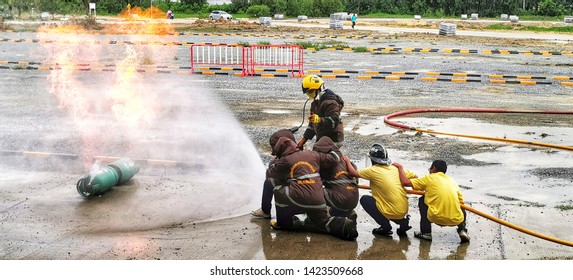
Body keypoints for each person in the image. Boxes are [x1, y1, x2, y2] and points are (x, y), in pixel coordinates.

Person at [266, 136, 358, 241]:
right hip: (347, 198)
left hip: (323, 197)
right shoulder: (317, 156)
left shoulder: (286, 160)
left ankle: (283, 224)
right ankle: (343, 223)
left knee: (278, 191)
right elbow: (336, 158)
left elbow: (270, 174)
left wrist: (276, 163)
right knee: (321, 221)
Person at [343, 143, 417, 237]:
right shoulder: (395, 169)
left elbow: (352, 172)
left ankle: (385, 226)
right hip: (403, 210)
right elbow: (415, 177)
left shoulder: (373, 170)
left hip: (391, 211)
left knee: (365, 200)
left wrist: (347, 160)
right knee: (389, 204)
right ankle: (403, 222)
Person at [394, 159, 470, 243]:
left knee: (422, 200)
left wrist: (400, 167)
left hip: (435, 217)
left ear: (433, 168)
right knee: (461, 206)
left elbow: (405, 182)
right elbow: (461, 202)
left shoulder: (429, 178)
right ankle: (462, 230)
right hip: (456, 219)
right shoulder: (452, 181)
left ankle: (426, 233)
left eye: (430, 169)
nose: (429, 171)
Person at [251, 129, 298, 219]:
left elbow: (271, 173)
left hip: (296, 201)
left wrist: (273, 162)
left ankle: (265, 211)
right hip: (312, 203)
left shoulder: (285, 160)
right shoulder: (304, 154)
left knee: (269, 182)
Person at [312, 136, 358, 220]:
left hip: (342, 200)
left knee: (312, 190)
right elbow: (355, 174)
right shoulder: (346, 161)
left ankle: (318, 217)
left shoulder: (327, 163)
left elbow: (317, 181)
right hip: (354, 199)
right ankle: (348, 211)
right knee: (336, 188)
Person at [297, 75, 344, 150]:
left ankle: (344, 161)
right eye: (308, 93)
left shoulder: (331, 102)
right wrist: (303, 140)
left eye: (310, 92)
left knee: (323, 158)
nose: (309, 95)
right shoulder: (315, 103)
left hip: (333, 138)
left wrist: (319, 120)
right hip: (322, 137)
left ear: (319, 89)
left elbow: (334, 121)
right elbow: (312, 125)